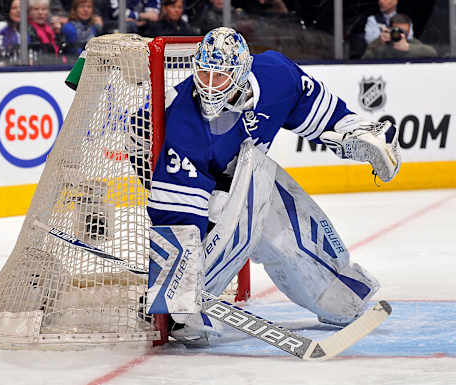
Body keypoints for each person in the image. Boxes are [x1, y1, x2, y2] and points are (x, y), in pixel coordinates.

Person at [143, 27, 401, 344]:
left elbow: (321, 111)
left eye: (219, 77)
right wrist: (180, 288)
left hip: (250, 174)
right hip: (189, 188)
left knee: (309, 256)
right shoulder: (186, 120)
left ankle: (340, 297)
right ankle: (183, 307)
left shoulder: (276, 75)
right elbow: (176, 215)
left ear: (240, 71)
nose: (209, 86)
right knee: (214, 229)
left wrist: (356, 131)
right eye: (204, 75)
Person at [362, 13, 437, 59]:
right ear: (390, 29)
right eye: (398, 31)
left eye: (404, 32)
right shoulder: (381, 42)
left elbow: (432, 53)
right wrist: (379, 42)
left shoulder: (413, 42)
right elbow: (365, 60)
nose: (401, 35)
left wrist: (407, 47)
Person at [0, 0, 20, 64]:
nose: (18, 11)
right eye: (14, 8)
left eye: (21, 8)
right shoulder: (0, 27)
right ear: (8, 10)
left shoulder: (27, 29)